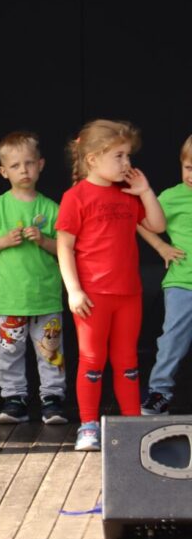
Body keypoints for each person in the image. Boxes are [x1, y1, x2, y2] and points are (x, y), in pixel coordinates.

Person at [57, 119, 165, 451]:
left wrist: (145, 191)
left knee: (127, 361)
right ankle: (88, 425)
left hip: (129, 294)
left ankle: (131, 424)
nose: (126, 163)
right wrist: (74, 290)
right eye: (119, 156)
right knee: (91, 360)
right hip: (93, 297)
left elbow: (157, 225)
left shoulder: (128, 194)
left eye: (128, 155)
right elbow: (64, 246)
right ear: (92, 159)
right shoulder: (76, 197)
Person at [0, 131, 67, 425]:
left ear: (41, 165)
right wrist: (3, 241)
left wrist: (43, 240)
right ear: (4, 172)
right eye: (15, 166)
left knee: (50, 350)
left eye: (29, 163)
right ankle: (14, 399)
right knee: (9, 352)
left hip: (45, 296)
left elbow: (65, 249)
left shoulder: (51, 207)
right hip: (10, 298)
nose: (23, 170)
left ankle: (52, 399)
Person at [138, 134, 192, 416]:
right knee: (172, 339)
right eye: (188, 167)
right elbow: (141, 219)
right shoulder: (172, 197)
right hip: (182, 282)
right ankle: (159, 392)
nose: (191, 175)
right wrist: (161, 246)